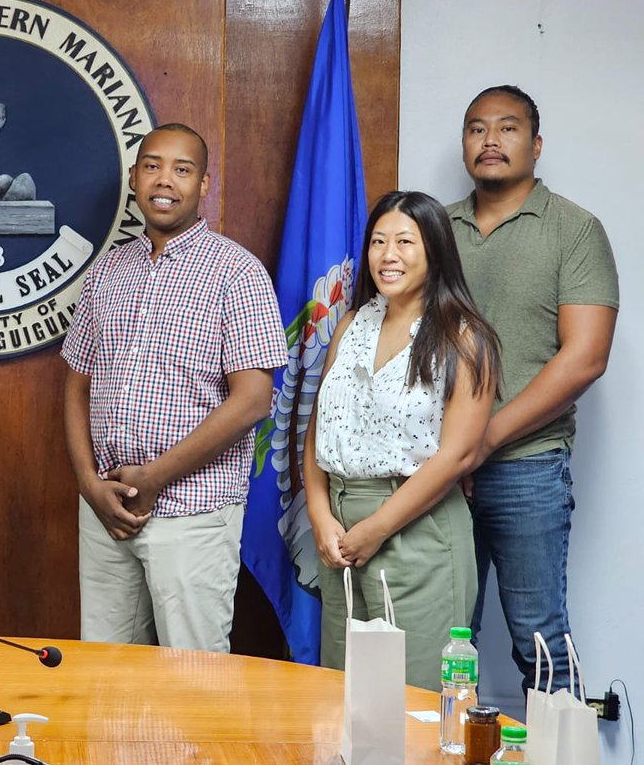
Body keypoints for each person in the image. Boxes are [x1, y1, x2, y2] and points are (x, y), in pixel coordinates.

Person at [61, 123, 287, 653]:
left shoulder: (236, 272)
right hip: (106, 509)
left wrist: (155, 477)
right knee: (106, 675)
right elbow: (75, 384)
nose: (165, 180)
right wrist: (89, 486)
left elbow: (253, 399)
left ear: (204, 184)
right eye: (153, 166)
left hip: (191, 508)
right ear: (136, 177)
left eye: (182, 169)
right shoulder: (108, 271)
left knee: (193, 681)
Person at [448, 85, 618, 693]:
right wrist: (454, 454)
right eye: (476, 128)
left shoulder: (575, 230)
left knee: (539, 640)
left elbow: (585, 359)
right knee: (444, 639)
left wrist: (484, 439)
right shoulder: (434, 230)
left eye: (507, 127)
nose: (490, 140)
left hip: (526, 467)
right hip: (437, 469)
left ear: (536, 144)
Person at [304, 190, 500, 690]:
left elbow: (456, 455)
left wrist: (377, 528)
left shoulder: (463, 336)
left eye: (405, 242)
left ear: (434, 250)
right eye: (377, 241)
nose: (387, 255)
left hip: (416, 526)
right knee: (343, 696)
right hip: (339, 533)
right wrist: (320, 515)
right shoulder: (351, 324)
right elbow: (318, 429)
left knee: (414, 700)